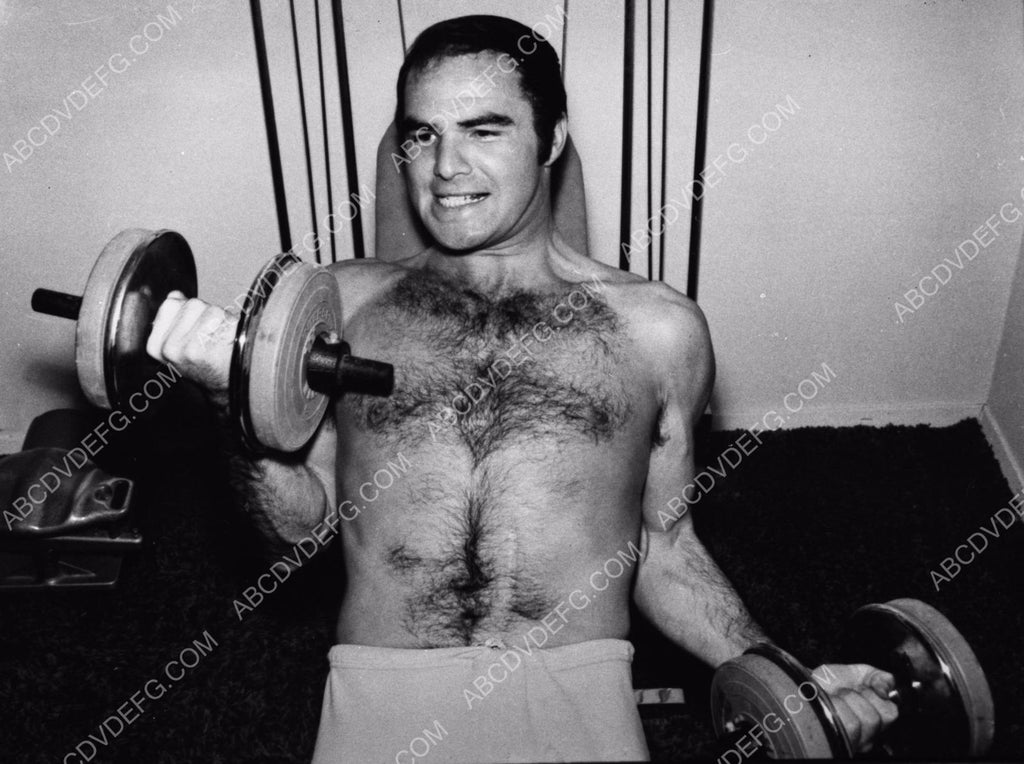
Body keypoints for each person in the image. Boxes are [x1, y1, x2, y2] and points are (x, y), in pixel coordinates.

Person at [147, 15, 897, 763]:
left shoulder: (659, 332)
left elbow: (664, 546)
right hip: (383, 683)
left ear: (553, 138)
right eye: (422, 135)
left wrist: (789, 678)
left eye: (484, 130)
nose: (445, 166)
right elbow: (295, 537)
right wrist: (232, 405)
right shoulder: (341, 307)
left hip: (576, 681)